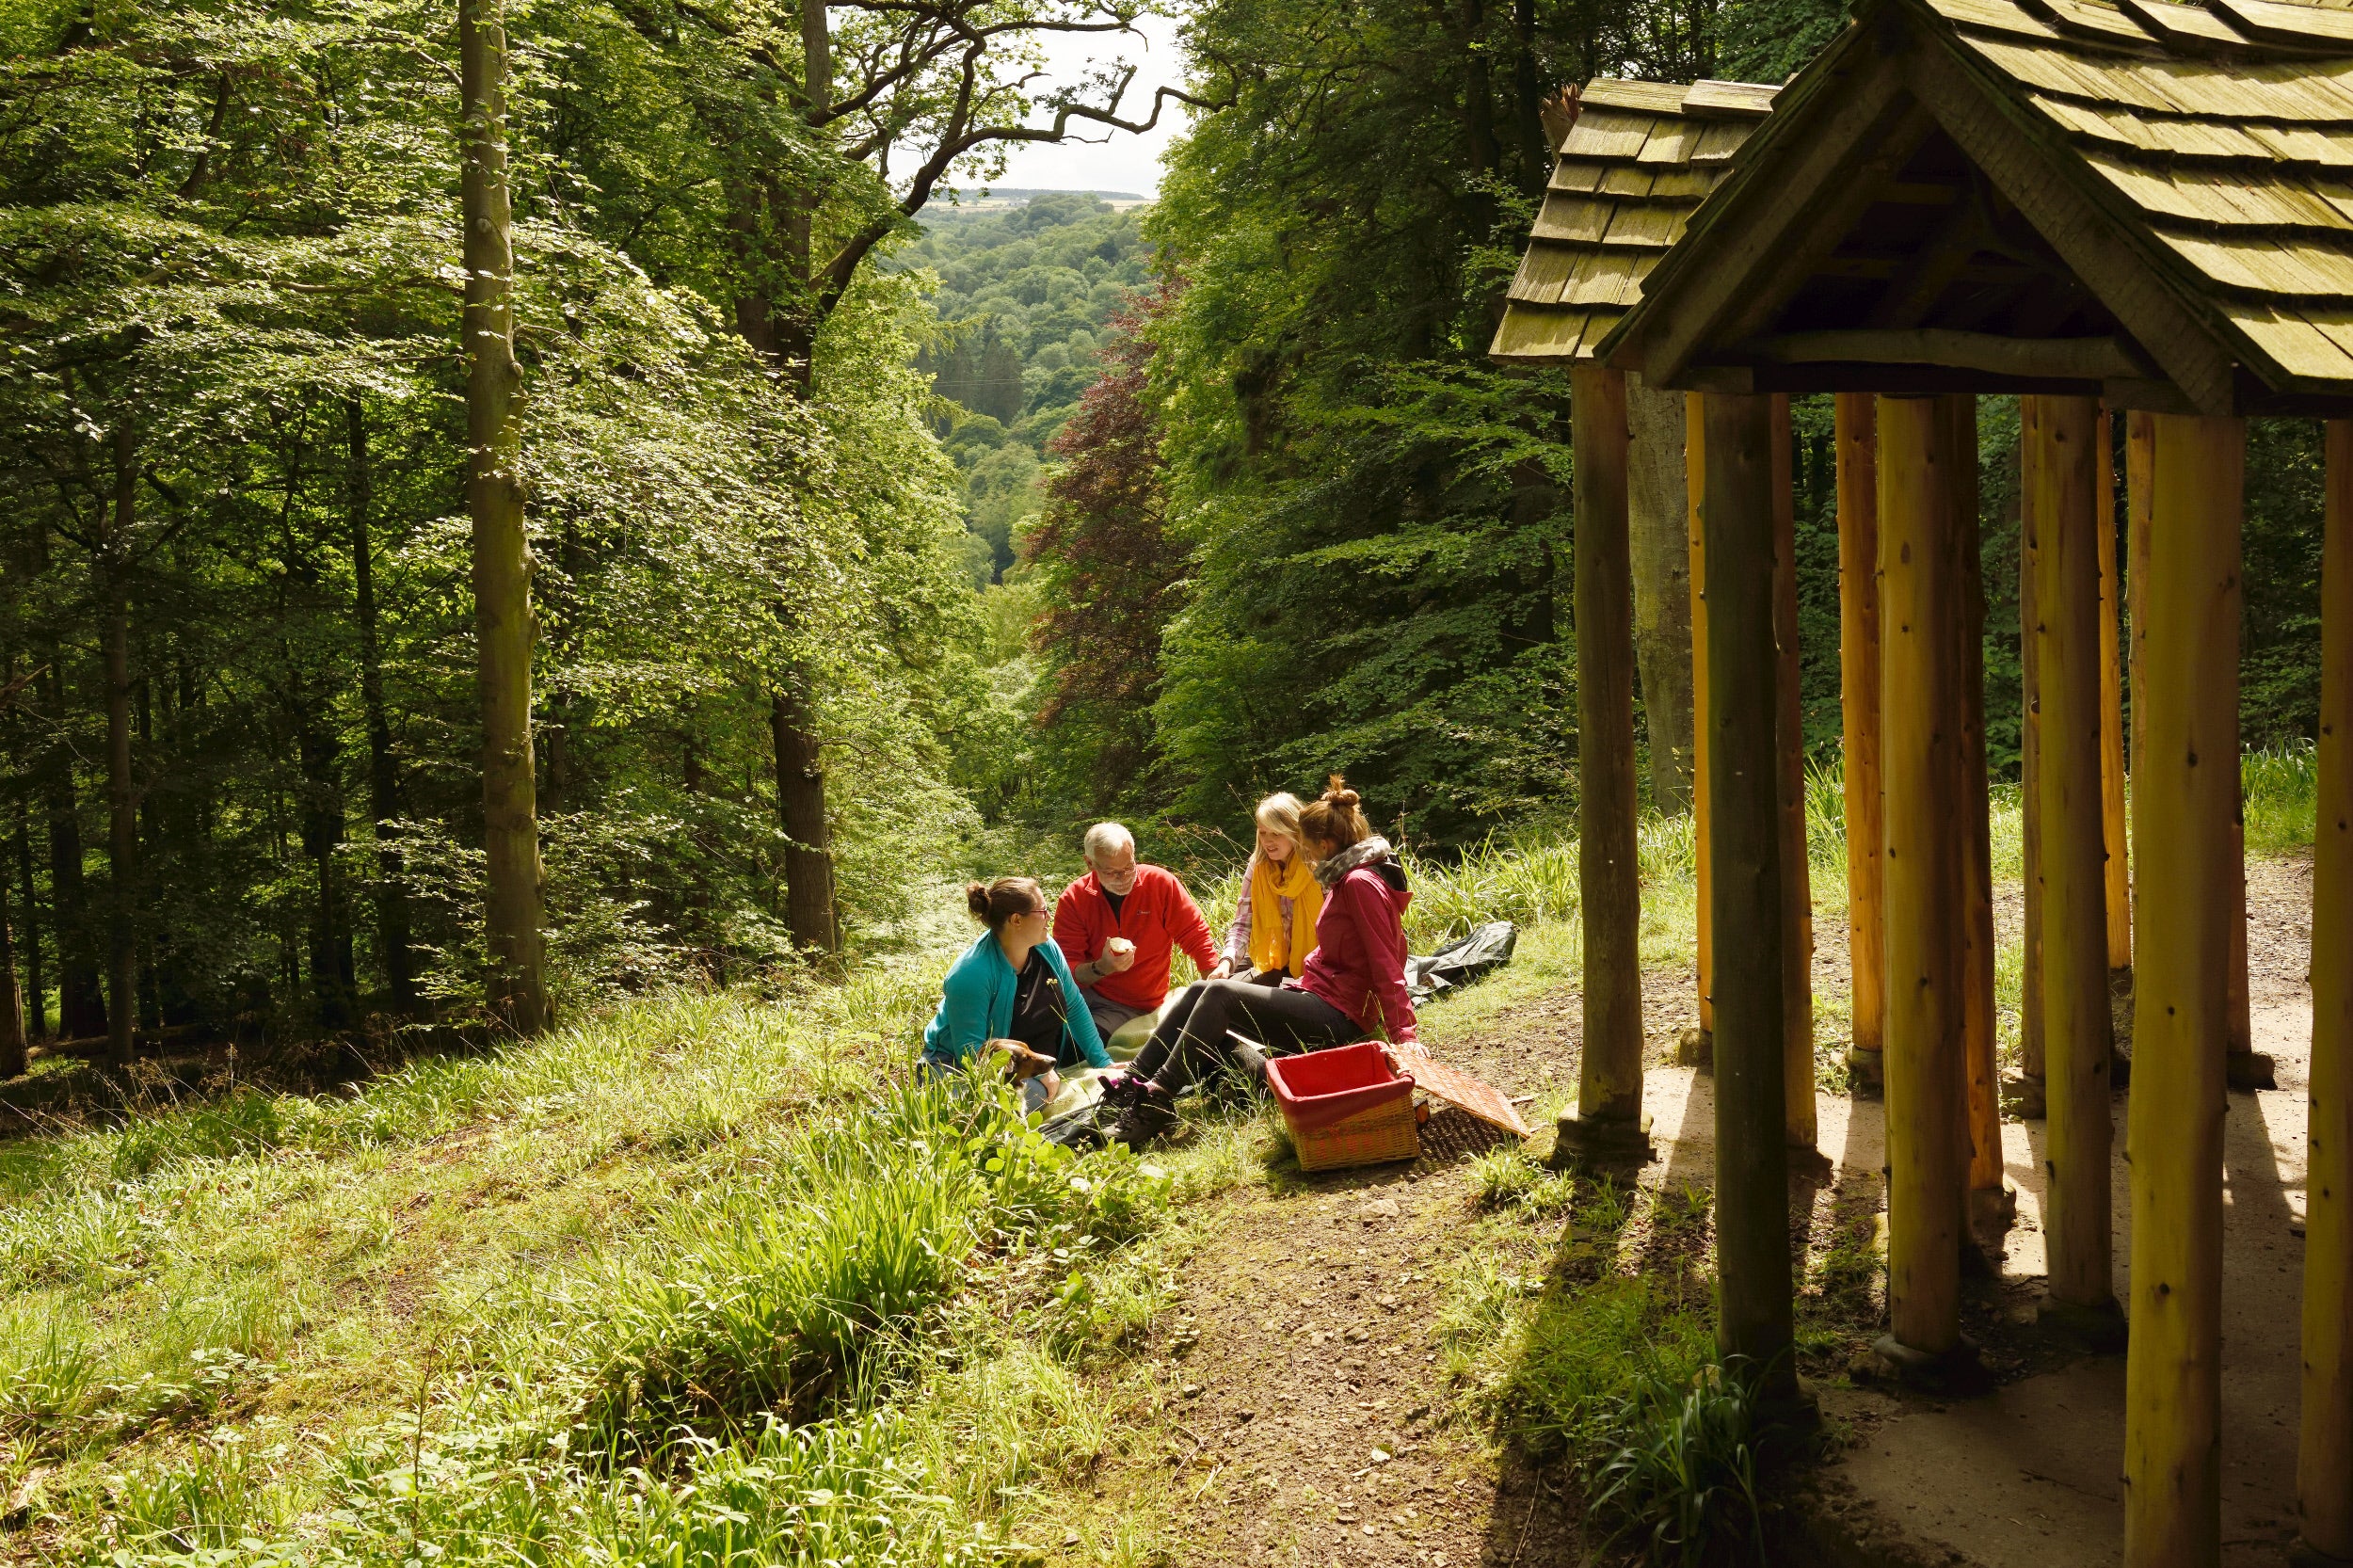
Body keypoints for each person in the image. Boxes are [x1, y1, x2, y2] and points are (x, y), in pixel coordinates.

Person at [1106, 777, 1420, 1149]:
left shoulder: (1358, 883)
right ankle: (1131, 1085)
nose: (1304, 852)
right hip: (1317, 994)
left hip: (1340, 1015)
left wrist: (1405, 1036)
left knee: (1220, 993)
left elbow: (1386, 961)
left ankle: (1158, 1098)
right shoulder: (1347, 878)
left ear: (1323, 844)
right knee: (1201, 989)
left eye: (1304, 843)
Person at [921, 877, 1110, 1112]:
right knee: (1026, 1096)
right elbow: (971, 1052)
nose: (1049, 917)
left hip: (1022, 1060)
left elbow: (1074, 1005)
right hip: (953, 1063)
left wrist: (1103, 1062)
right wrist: (1040, 1075)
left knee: (1035, 1091)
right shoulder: (970, 974)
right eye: (1042, 911)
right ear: (1016, 920)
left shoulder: (1047, 948)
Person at [1051, 822, 1222, 1047]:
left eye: (1128, 867)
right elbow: (1066, 968)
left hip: (1130, 1005)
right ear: (1089, 863)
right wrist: (1103, 967)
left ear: (1133, 855)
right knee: (1042, 1032)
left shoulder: (1160, 883)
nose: (1122, 878)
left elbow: (1195, 935)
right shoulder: (1074, 898)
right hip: (1080, 995)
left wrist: (1214, 987)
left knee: (1074, 1046)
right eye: (1111, 872)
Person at [1209, 792, 1322, 984]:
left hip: (1314, 968)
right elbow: (1243, 923)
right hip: (1270, 959)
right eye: (1263, 833)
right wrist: (1226, 962)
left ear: (1295, 833)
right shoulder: (1258, 867)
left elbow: (1333, 932)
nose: (1267, 841)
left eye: (1276, 834)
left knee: (1221, 995)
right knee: (1205, 989)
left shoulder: (1318, 868)